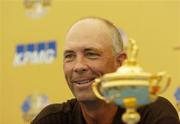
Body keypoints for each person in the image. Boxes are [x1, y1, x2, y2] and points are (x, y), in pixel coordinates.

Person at [31, 17, 180, 124]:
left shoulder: (153, 114)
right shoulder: (52, 119)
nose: (78, 66)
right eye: (70, 56)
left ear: (120, 62)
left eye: (91, 54)